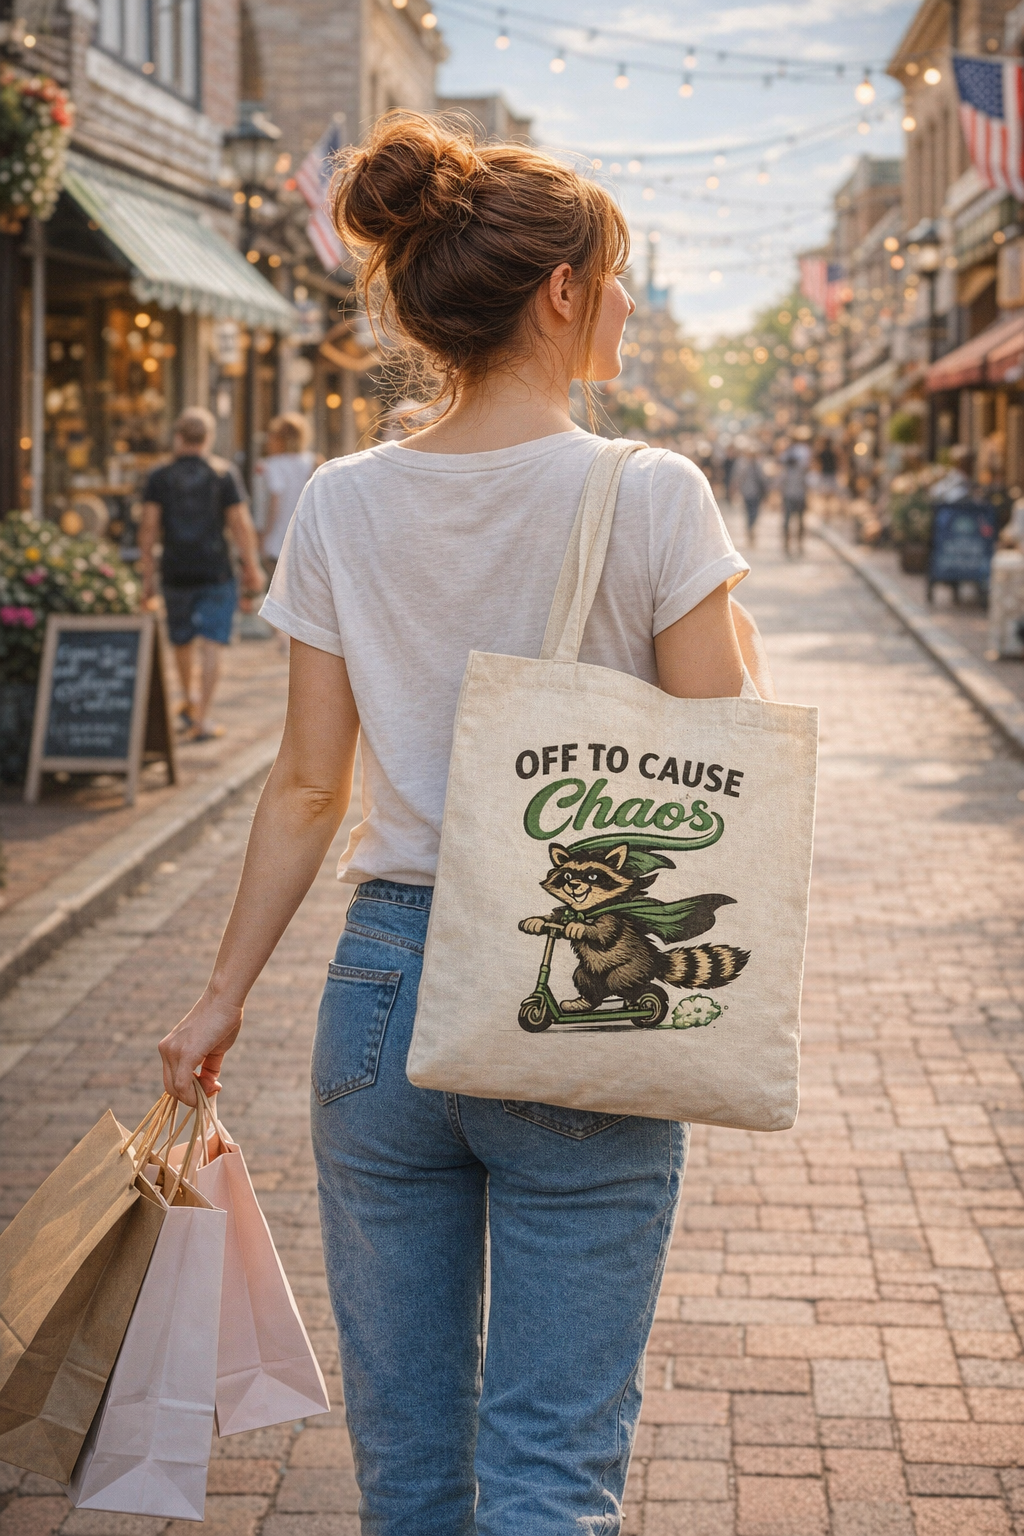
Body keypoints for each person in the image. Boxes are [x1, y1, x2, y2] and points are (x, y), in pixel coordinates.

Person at [157, 113, 775, 1536]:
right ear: (560, 292)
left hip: (378, 995)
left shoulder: (341, 503)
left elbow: (309, 785)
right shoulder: (651, 491)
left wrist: (219, 996)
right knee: (552, 1476)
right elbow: (722, 760)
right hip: (579, 986)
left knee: (412, 1478)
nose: (623, 300)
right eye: (615, 274)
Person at [140, 408, 265, 740]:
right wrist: (252, 566)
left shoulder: (159, 476)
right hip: (216, 570)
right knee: (212, 643)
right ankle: (202, 718)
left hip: (175, 569)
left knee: (181, 639)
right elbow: (240, 523)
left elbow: (149, 528)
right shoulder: (223, 474)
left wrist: (146, 577)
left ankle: (189, 700)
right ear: (208, 438)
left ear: (178, 438)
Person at [257, 413, 319, 578]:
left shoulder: (273, 465)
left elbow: (274, 503)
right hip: (307, 541)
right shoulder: (314, 462)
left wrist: (264, 535)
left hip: (278, 540)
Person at [732, 444, 768, 546]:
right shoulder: (742, 465)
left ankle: (751, 527)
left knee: (755, 512)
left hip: (757, 493)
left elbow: (763, 479)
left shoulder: (759, 465)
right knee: (749, 512)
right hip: (747, 492)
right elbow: (738, 478)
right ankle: (749, 528)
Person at [780, 439, 809, 556]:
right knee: (793, 522)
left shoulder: (797, 471)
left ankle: (796, 543)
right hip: (794, 497)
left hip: (795, 497)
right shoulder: (790, 471)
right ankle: (791, 543)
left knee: (796, 522)